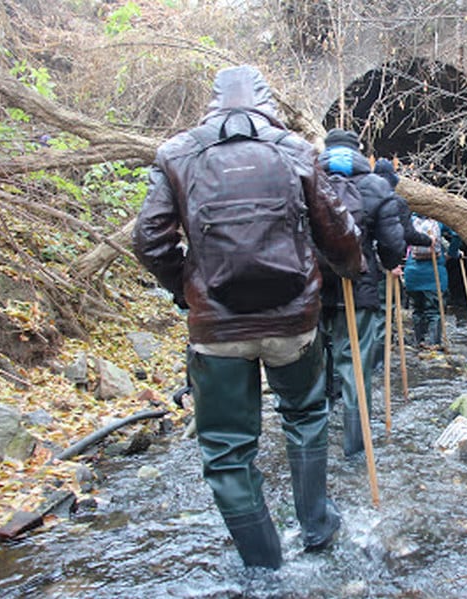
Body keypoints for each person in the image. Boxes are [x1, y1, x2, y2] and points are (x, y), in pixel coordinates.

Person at [132, 66, 362, 569]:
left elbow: (149, 240)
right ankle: (317, 529)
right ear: (267, 101)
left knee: (226, 450)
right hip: (292, 322)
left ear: (213, 103)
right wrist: (350, 268)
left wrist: (187, 290)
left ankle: (264, 565)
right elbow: (338, 231)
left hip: (217, 328)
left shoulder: (176, 154)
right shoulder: (296, 149)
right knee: (305, 417)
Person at [317, 131, 407, 459]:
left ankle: (313, 447)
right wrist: (389, 263)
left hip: (309, 293)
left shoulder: (304, 180)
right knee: (355, 370)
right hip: (359, 289)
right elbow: (394, 245)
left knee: (312, 370)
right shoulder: (376, 187)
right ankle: (355, 451)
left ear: (325, 150)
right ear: (359, 153)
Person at [371, 158, 432, 370]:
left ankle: (363, 363)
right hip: (384, 266)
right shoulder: (396, 202)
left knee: (367, 314)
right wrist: (427, 241)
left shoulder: (358, 194)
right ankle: (378, 363)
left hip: (360, 264)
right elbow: (403, 234)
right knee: (383, 312)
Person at [403, 214, 461, 348]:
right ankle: (434, 343)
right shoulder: (440, 220)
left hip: (412, 272)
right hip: (434, 273)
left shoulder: (410, 220)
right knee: (434, 311)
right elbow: (457, 235)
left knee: (417, 310)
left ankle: (419, 342)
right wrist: (452, 253)